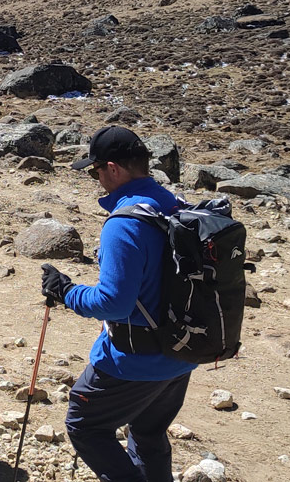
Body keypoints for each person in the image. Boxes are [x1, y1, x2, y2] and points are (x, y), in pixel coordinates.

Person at [40, 125, 195, 482]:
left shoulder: (123, 224)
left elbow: (113, 303)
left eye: (95, 170)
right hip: (182, 352)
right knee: (147, 432)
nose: (95, 178)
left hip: (134, 360)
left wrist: (66, 292)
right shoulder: (171, 203)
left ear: (113, 168)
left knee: (85, 427)